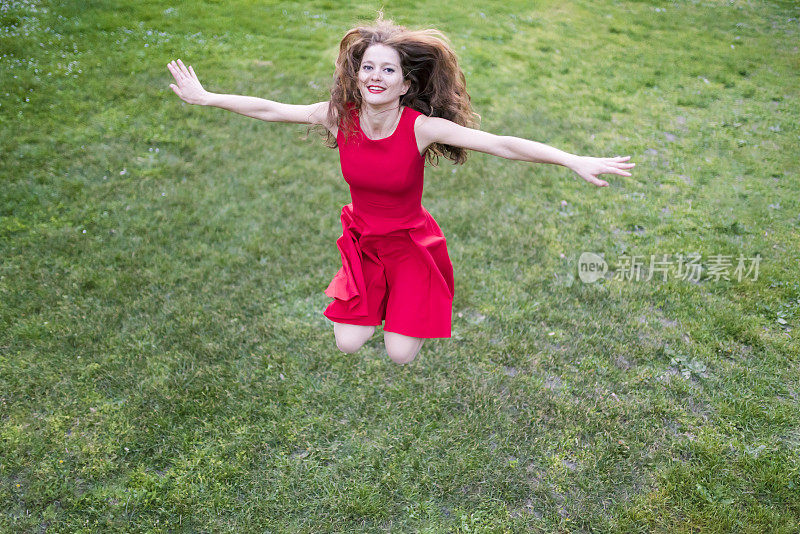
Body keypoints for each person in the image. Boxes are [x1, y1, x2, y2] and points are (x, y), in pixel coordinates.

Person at [167, 13, 634, 366]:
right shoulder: (340, 118)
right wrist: (207, 97)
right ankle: (380, 295)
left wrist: (570, 158)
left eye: (387, 71)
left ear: (405, 83)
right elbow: (270, 109)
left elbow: (501, 144)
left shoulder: (421, 128)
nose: (375, 76)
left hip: (409, 244)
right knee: (348, 340)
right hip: (364, 241)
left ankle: (402, 294)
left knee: (400, 355)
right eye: (368, 67)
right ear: (357, 75)